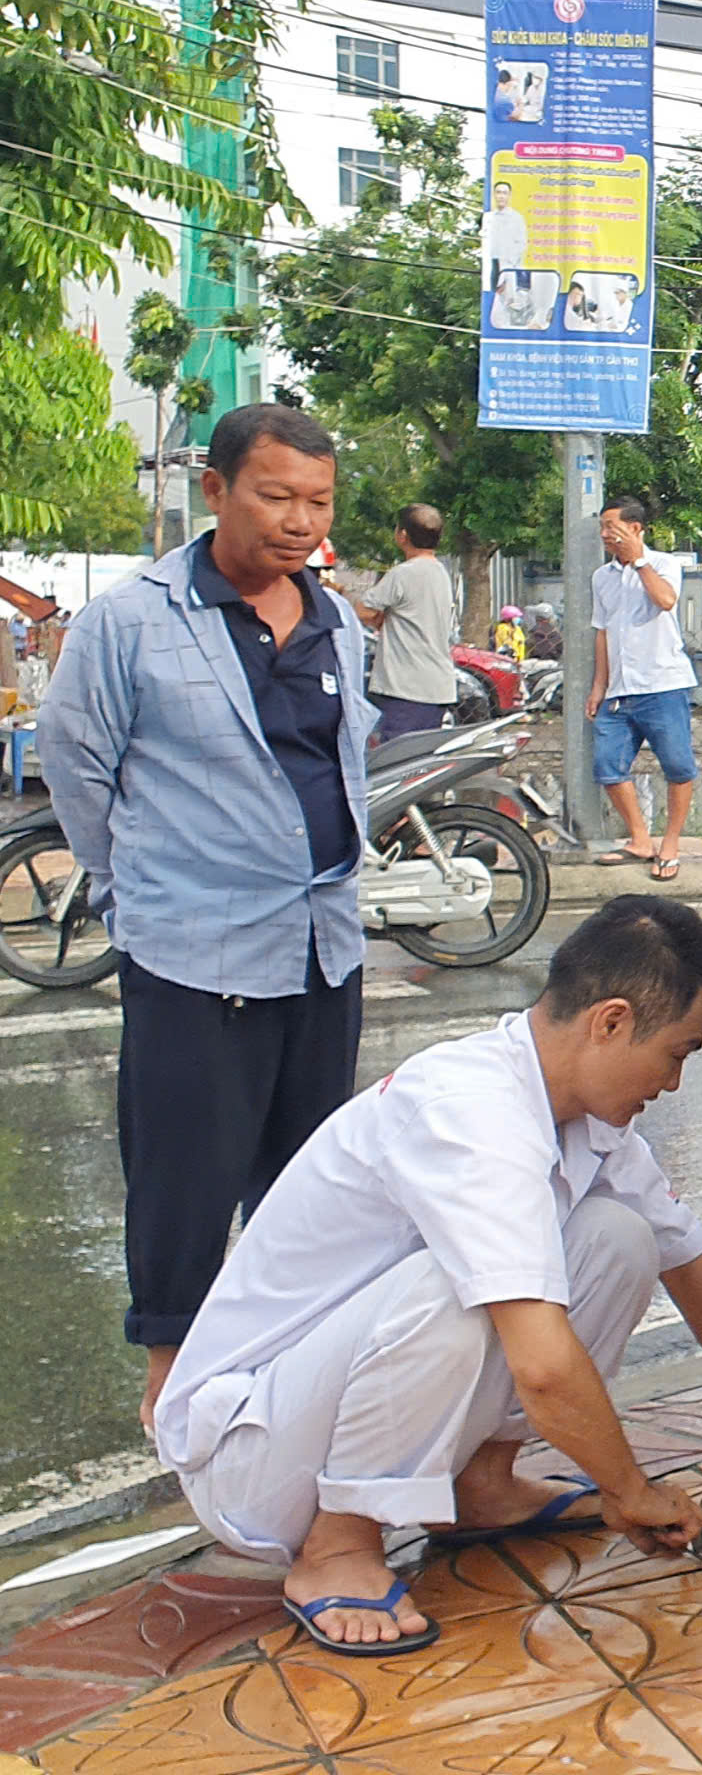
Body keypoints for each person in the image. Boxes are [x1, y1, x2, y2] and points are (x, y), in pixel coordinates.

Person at [150, 898, 702, 1657]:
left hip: (327, 1411)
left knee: (618, 1238)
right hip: (253, 1455)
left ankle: (482, 1487)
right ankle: (338, 1543)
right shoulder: (472, 1114)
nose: (672, 1083)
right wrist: (628, 1490)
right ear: (611, 1021)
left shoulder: (593, 1127)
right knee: (471, 1289)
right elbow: (541, 1364)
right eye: (676, 1053)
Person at [39, 404, 372, 1424]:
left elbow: (340, 763)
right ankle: (172, 1395)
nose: (297, 520)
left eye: (316, 502)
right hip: (192, 950)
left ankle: (282, 1384)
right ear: (216, 489)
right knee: (186, 1176)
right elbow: (76, 763)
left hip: (322, 948)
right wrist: (136, 882)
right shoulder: (130, 621)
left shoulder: (336, 620)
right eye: (275, 497)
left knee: (307, 1179)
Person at [588, 496, 695, 885]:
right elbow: (602, 632)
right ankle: (639, 838)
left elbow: (665, 600)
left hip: (663, 684)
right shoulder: (601, 577)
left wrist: (639, 560)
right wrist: (598, 686)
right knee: (608, 765)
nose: (605, 534)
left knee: (678, 767)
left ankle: (670, 845)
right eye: (602, 527)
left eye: (612, 526)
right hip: (619, 689)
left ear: (635, 529)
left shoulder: (665, 564)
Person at [340, 504, 456, 744]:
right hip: (436, 687)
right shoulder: (440, 573)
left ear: (402, 535)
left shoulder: (403, 574)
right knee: (421, 759)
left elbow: (362, 611)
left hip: (405, 687)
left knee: (396, 760)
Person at [481, 182, 528, 292]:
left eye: (504, 193)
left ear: (509, 195)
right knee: (492, 298)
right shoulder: (488, 218)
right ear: (494, 195)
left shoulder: (516, 218)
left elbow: (521, 244)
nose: (501, 196)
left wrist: (507, 270)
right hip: (493, 265)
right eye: (498, 192)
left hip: (509, 267)